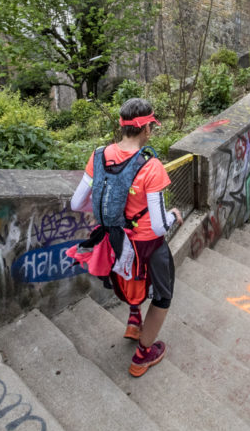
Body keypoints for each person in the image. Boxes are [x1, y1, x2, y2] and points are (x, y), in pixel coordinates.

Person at [70, 97, 183, 377]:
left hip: (115, 240)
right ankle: (143, 354)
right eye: (151, 127)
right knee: (163, 296)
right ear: (146, 128)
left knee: (131, 277)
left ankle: (134, 320)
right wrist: (174, 216)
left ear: (122, 126)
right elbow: (158, 227)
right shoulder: (150, 165)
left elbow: (77, 203)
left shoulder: (99, 155)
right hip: (147, 244)